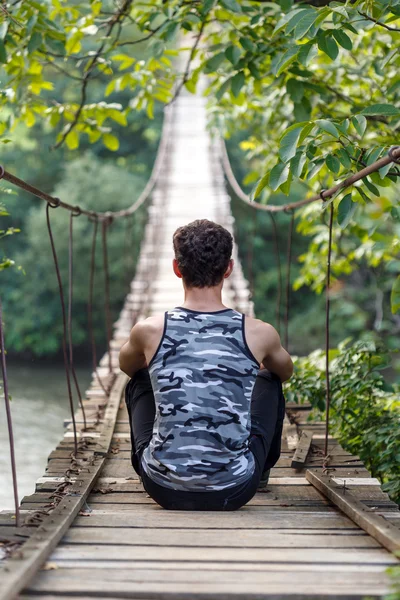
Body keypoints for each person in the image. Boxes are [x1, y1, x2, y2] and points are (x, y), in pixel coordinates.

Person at [119, 219, 293, 511]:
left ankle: (161, 460)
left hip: (162, 489)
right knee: (270, 379)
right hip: (235, 489)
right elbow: (285, 372)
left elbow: (128, 365)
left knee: (139, 377)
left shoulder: (148, 330)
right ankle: (260, 473)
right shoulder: (259, 332)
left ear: (177, 268)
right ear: (229, 268)